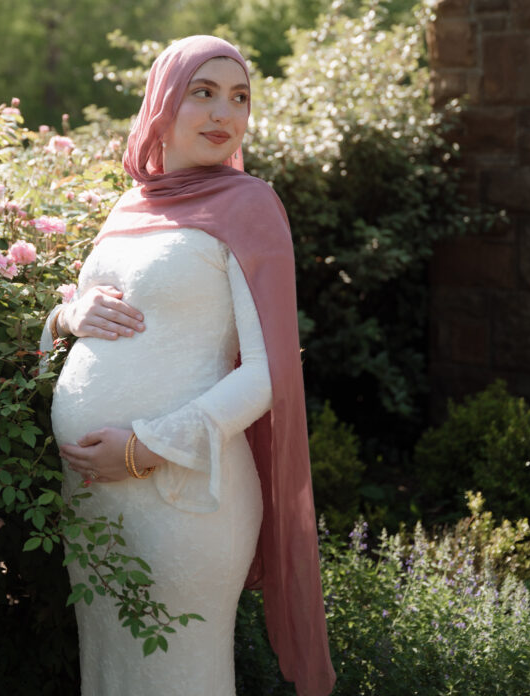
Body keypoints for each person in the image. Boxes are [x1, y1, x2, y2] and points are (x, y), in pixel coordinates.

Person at [42, 35, 335, 696]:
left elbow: (267, 376)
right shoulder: (126, 209)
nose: (222, 113)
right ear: (162, 102)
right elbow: (82, 326)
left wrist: (143, 450)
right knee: (109, 670)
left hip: (181, 497)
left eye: (238, 98)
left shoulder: (248, 206)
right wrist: (67, 314)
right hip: (92, 499)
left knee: (177, 673)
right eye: (201, 92)